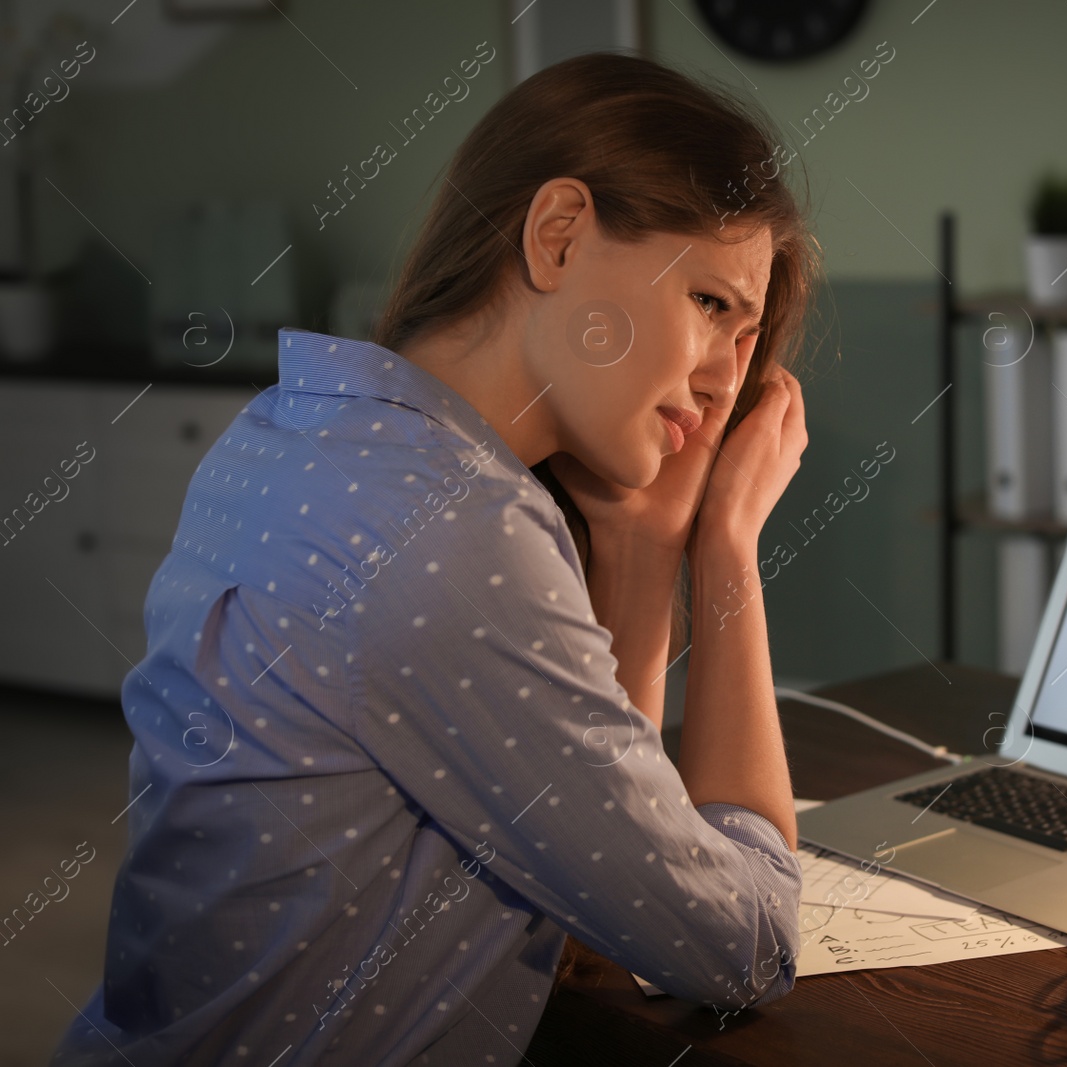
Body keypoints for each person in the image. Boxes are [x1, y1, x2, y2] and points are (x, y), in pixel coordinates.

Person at [53, 50, 820, 1066]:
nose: (729, 378)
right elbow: (745, 944)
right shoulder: (457, 533)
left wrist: (641, 541)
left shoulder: (291, 429)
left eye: (749, 332)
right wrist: (725, 549)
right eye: (714, 305)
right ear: (557, 237)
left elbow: (596, 897)